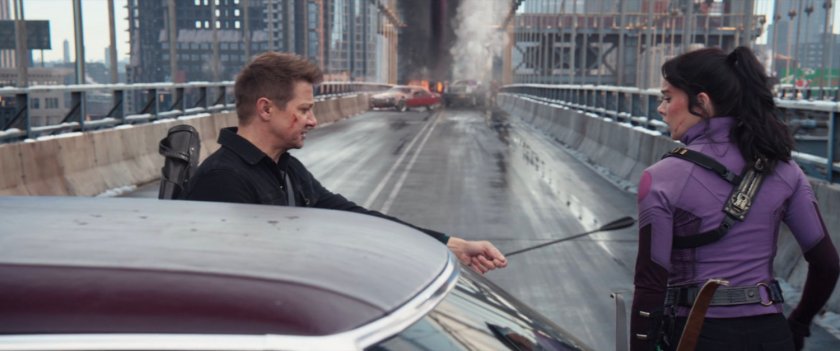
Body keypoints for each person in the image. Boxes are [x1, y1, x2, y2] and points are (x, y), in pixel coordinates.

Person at [184, 52, 507, 274]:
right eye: (304, 109)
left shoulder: (285, 168)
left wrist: (451, 244)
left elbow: (355, 218)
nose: (313, 121)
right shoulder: (223, 180)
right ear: (266, 109)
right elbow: (240, 287)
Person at [630, 46, 839, 351]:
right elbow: (827, 263)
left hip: (696, 335)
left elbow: (651, 285)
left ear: (702, 103)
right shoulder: (785, 169)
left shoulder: (661, 177)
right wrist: (799, 323)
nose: (661, 109)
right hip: (771, 335)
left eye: (668, 98)